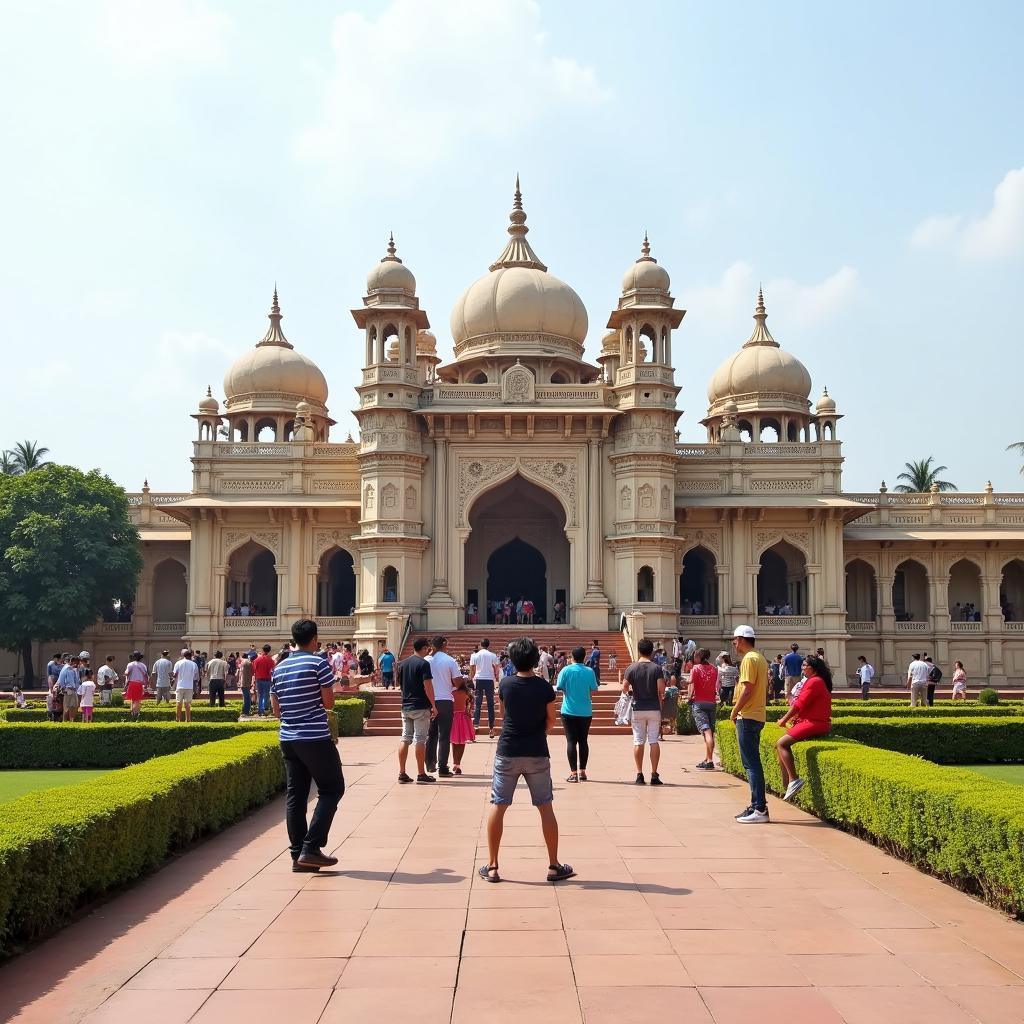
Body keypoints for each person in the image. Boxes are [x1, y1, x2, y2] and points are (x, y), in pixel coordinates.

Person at [480, 636, 574, 884]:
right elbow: (551, 720)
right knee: (545, 807)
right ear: (535, 659)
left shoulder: (506, 685)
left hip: (508, 749)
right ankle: (554, 865)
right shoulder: (544, 687)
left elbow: (502, 715)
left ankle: (492, 866)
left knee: (498, 806)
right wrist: (539, 732)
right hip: (536, 750)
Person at [271, 618, 344, 872]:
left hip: (288, 738)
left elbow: (276, 710)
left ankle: (297, 855)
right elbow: (329, 703)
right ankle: (311, 848)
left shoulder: (279, 667)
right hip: (313, 737)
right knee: (332, 788)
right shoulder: (318, 663)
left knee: (296, 795)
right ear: (314, 639)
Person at [775, 653, 833, 801]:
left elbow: (799, 705)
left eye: (805, 665)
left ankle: (794, 780)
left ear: (813, 668)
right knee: (779, 747)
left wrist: (784, 719)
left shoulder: (815, 682)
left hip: (815, 723)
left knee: (781, 744)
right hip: (810, 721)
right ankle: (786, 786)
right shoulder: (815, 680)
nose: (802, 668)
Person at [730, 625, 770, 824]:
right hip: (757, 715)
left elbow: (747, 689)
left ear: (742, 639)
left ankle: (759, 808)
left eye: (734, 640)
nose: (733, 643)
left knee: (751, 764)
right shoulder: (759, 657)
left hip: (747, 716)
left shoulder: (748, 659)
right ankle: (757, 805)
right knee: (753, 763)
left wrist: (735, 710)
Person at [623, 638, 666, 785]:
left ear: (639, 650)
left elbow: (624, 687)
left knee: (638, 741)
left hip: (638, 708)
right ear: (651, 651)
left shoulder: (632, 668)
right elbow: (661, 689)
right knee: (653, 741)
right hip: (653, 707)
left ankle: (639, 774)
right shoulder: (656, 668)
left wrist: (632, 692)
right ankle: (654, 774)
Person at [397, 637, 437, 784]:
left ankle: (402, 772)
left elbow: (400, 685)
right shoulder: (424, 664)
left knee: (405, 738)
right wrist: (433, 704)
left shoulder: (403, 664)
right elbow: (428, 686)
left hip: (406, 705)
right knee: (420, 739)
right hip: (420, 706)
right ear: (425, 648)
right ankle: (421, 773)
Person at [556, 646, 599, 782]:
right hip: (585, 711)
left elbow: (560, 688)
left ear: (572, 657)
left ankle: (573, 773)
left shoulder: (566, 670)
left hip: (568, 710)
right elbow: (594, 689)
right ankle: (583, 772)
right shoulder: (589, 671)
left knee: (571, 741)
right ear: (584, 657)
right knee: (583, 741)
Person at [425, 635, 463, 778]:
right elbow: (458, 682)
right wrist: (450, 683)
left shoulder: (426, 660)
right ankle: (442, 767)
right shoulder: (449, 660)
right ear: (444, 644)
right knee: (444, 735)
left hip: (430, 700)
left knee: (431, 734)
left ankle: (429, 764)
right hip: (445, 700)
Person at [688, 648, 719, 770]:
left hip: (699, 702)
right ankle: (707, 758)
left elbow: (691, 683)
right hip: (711, 702)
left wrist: (689, 696)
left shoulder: (695, 668)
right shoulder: (714, 669)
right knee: (710, 732)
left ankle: (710, 760)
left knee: (706, 731)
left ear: (699, 657)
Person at [470, 637, 501, 738]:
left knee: (478, 703)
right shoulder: (492, 655)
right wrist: (495, 677)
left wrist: (472, 678)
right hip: (489, 680)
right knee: (490, 704)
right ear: (488, 645)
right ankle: (491, 729)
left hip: (479, 679)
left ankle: (475, 725)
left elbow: (472, 669)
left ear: (480, 644)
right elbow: (497, 667)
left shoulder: (475, 655)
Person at [450, 676, 476, 774]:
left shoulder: (451, 692)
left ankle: (456, 763)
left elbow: (470, 705)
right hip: (463, 718)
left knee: (456, 741)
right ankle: (457, 764)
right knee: (460, 742)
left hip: (455, 717)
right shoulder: (466, 693)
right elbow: (470, 706)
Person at [172, 648, 199, 723]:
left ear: (183, 655)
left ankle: (177, 719)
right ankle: (188, 719)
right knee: (187, 704)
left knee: (178, 703)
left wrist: (172, 676)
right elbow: (196, 677)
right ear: (191, 656)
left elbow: (174, 675)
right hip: (189, 686)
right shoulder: (194, 664)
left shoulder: (178, 663)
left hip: (180, 686)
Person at [123, 651, 148, 721]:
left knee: (133, 700)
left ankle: (132, 713)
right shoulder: (143, 665)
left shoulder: (130, 664)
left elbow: (127, 673)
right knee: (137, 700)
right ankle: (136, 714)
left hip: (132, 683)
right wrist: (146, 684)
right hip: (139, 683)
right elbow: (145, 675)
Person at [253, 643, 275, 716]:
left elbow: (254, 669)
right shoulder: (271, 660)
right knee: (267, 695)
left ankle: (260, 710)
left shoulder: (257, 659)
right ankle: (266, 709)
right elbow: (273, 670)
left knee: (260, 695)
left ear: (262, 650)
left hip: (259, 679)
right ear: (269, 651)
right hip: (268, 679)